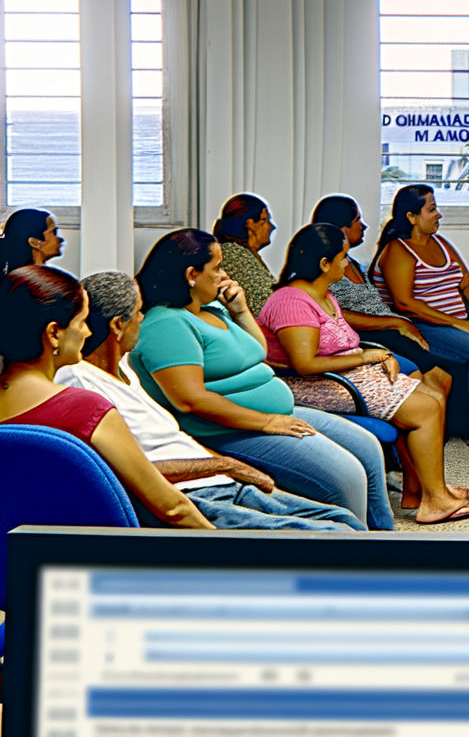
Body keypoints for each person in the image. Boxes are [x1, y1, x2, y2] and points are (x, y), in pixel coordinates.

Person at [131, 227, 394, 530]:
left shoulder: (212, 307)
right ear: (192, 274)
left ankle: (384, 541)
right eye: (217, 267)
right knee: (346, 475)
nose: (225, 274)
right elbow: (191, 400)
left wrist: (240, 311)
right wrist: (268, 422)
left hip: (273, 412)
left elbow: (259, 350)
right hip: (227, 429)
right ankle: (358, 557)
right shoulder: (166, 323)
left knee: (368, 448)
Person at [60, 271, 363, 531]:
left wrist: (226, 469)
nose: (143, 318)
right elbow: (124, 470)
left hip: (216, 479)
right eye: (139, 312)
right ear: (117, 325)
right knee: (332, 536)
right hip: (191, 494)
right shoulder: (79, 380)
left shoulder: (123, 365)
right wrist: (226, 464)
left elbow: (172, 438)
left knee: (343, 519)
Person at [260, 224, 469, 525]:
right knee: (426, 407)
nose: (347, 263)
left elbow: (342, 344)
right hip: (315, 385)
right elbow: (305, 364)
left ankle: (423, 490)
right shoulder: (292, 301)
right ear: (324, 264)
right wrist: (370, 356)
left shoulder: (323, 295)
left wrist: (381, 356)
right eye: (342, 257)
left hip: (345, 376)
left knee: (433, 393)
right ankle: (434, 501)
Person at [0, 265, 209, 530]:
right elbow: (173, 508)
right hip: (97, 556)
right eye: (82, 322)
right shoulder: (85, 410)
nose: (88, 333)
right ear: (54, 333)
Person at [372, 184, 469, 451]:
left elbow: (467, 281)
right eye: (431, 210)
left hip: (455, 324)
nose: (439, 215)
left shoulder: (441, 243)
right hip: (420, 328)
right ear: (411, 216)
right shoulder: (398, 250)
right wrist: (459, 323)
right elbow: (404, 302)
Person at [309, 194, 440, 370]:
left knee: (447, 372)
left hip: (393, 331)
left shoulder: (353, 264)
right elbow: (334, 314)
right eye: (357, 220)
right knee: (441, 372)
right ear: (343, 229)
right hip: (372, 338)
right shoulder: (323, 269)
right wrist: (396, 323)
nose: (364, 226)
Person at [213, 193, 278, 315]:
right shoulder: (234, 254)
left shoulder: (239, 252)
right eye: (265, 220)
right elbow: (269, 305)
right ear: (250, 224)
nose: (272, 227)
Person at [0, 208, 62, 274]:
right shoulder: (33, 281)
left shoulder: (15, 277)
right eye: (54, 232)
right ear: (34, 243)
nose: (61, 239)